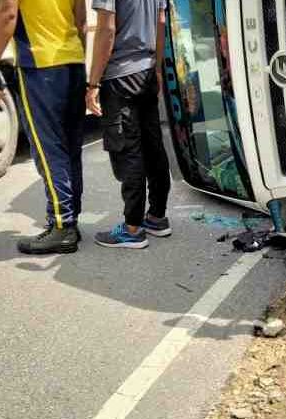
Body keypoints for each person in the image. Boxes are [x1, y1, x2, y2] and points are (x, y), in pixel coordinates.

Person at [0, 0, 87, 255]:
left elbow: (7, 14)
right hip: (73, 61)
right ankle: (69, 222)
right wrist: (76, 58)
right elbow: (81, 20)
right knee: (70, 149)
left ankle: (62, 227)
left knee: (48, 149)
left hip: (40, 65)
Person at [87, 0, 172, 249]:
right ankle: (157, 216)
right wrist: (156, 68)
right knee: (152, 145)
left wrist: (93, 83)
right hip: (146, 71)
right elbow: (161, 22)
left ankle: (132, 228)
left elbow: (106, 30)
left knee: (128, 150)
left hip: (119, 77)